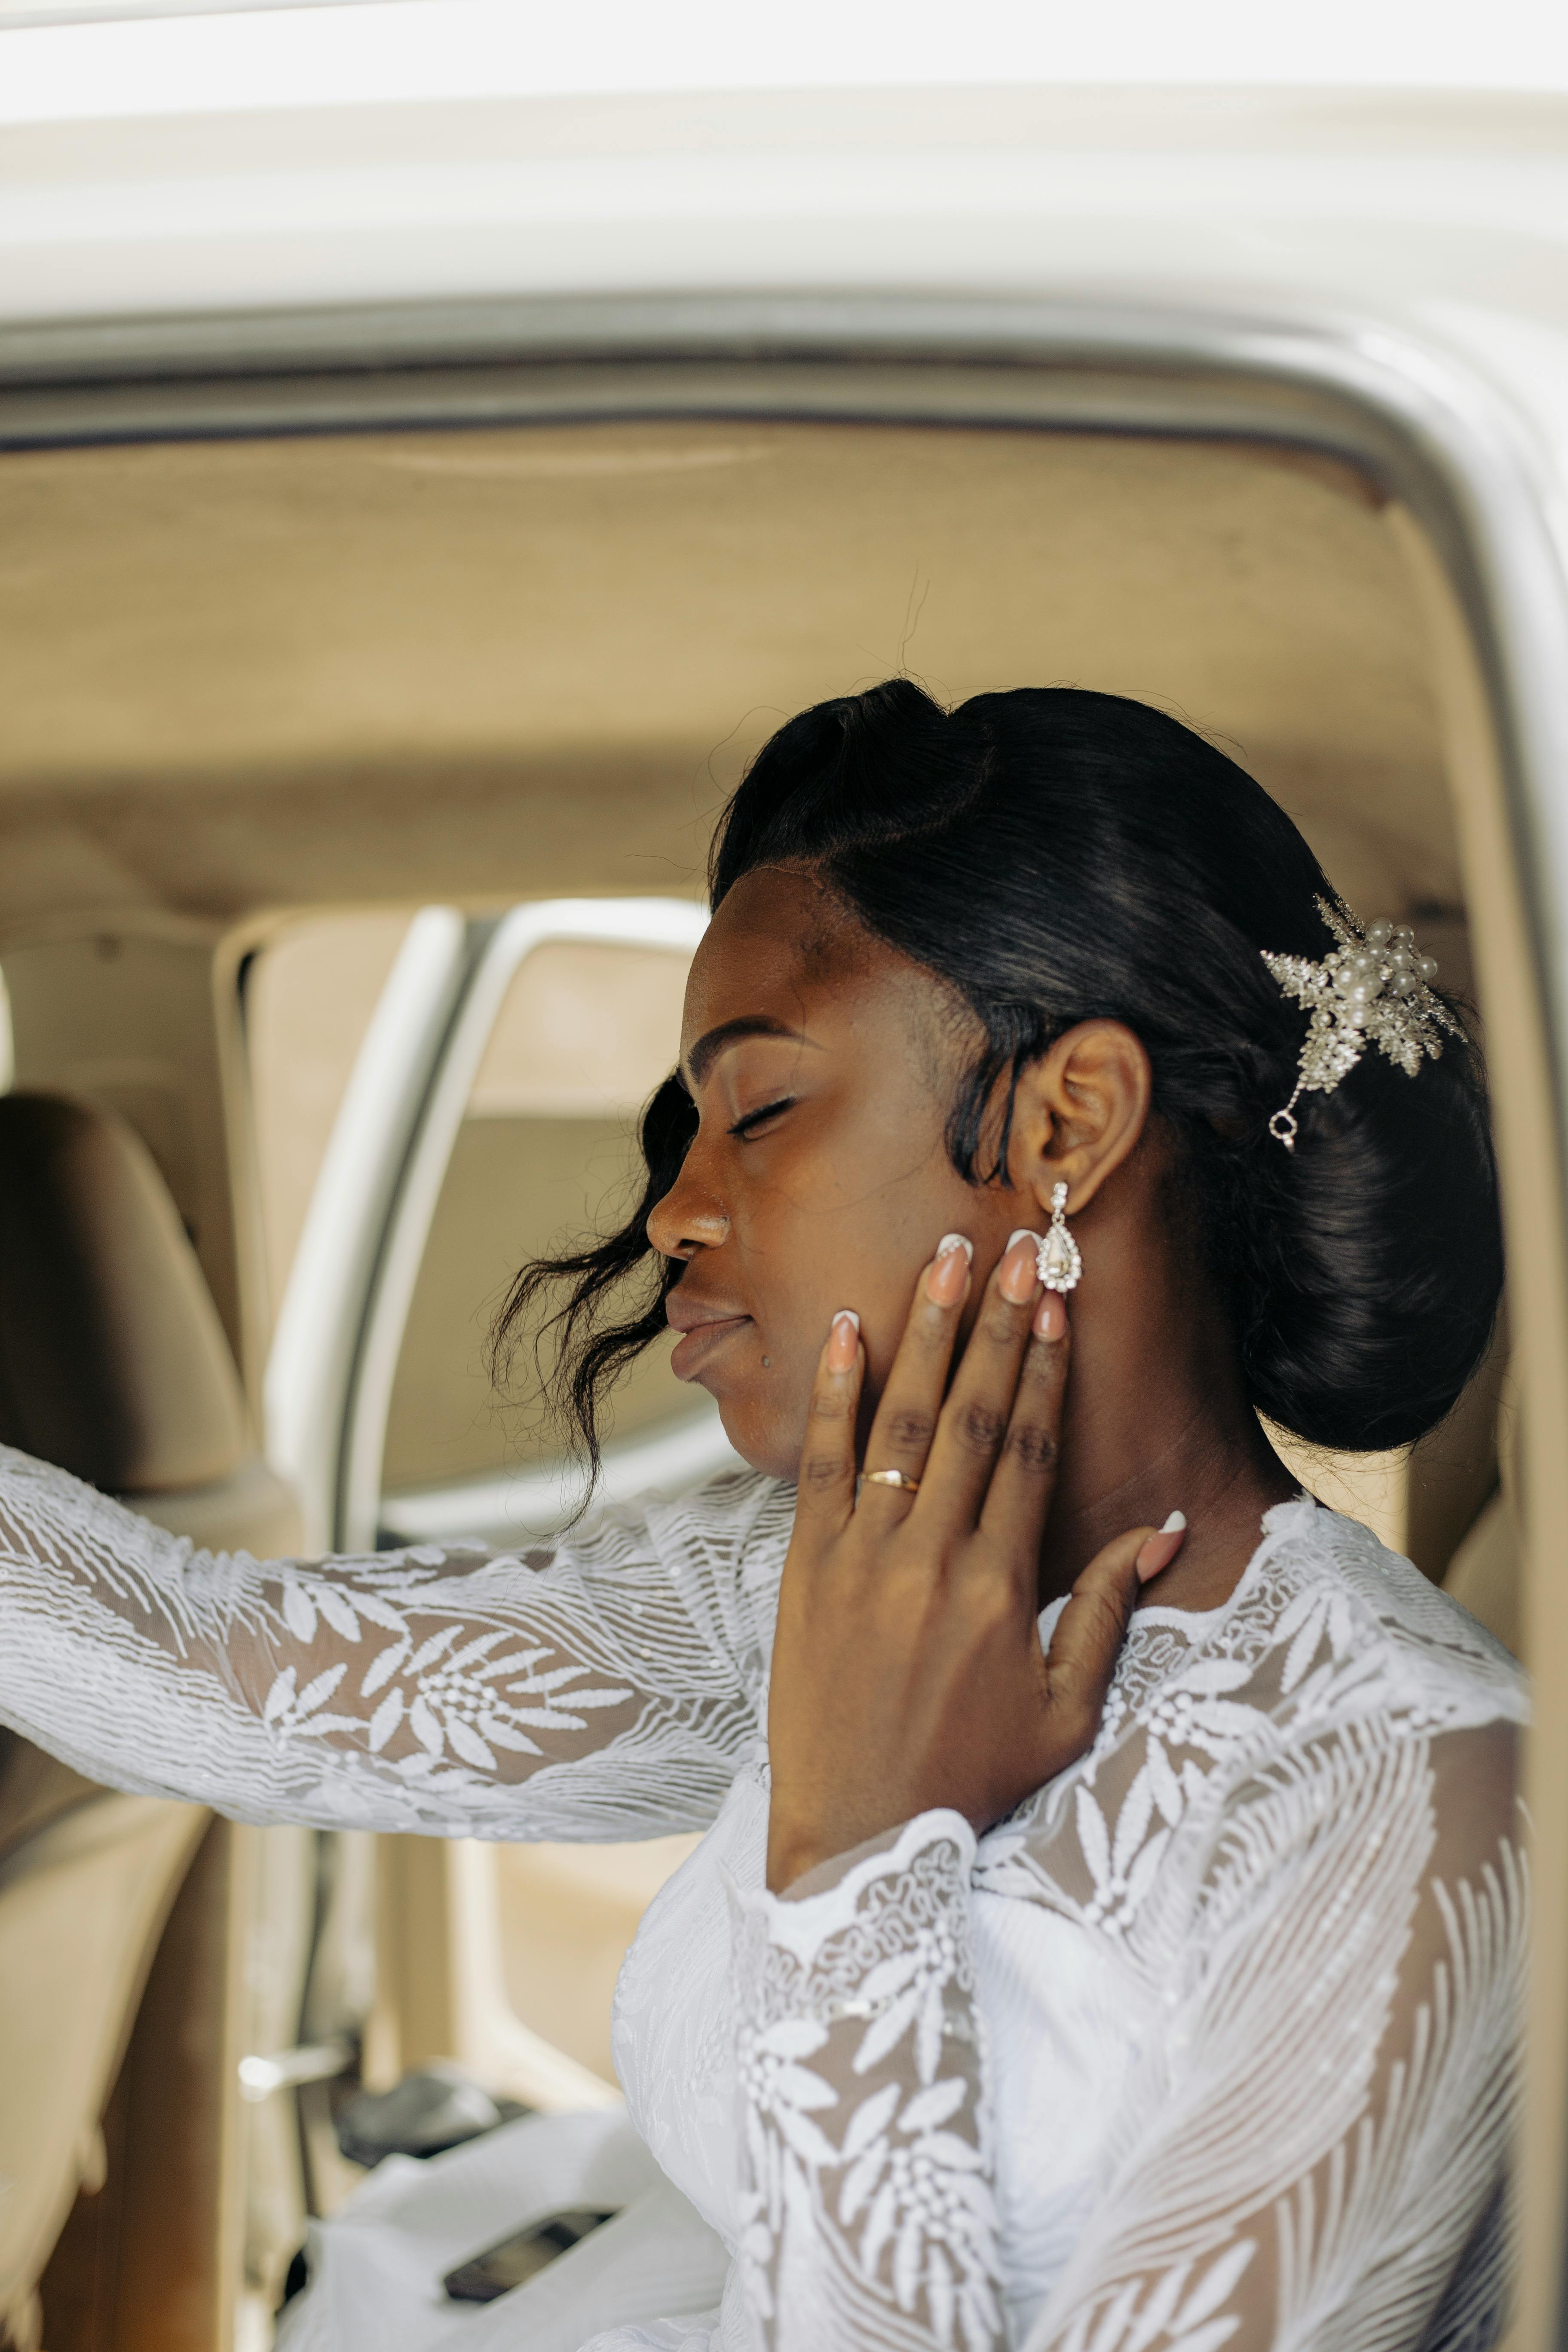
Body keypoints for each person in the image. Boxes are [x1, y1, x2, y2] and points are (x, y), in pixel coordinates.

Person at [0, 682, 1524, 2352]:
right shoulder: (817, 1581)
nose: (674, 1207)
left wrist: (859, 1858)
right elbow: (215, 1677)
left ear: (1067, 1123)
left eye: (764, 1110)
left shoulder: (1420, 1798)